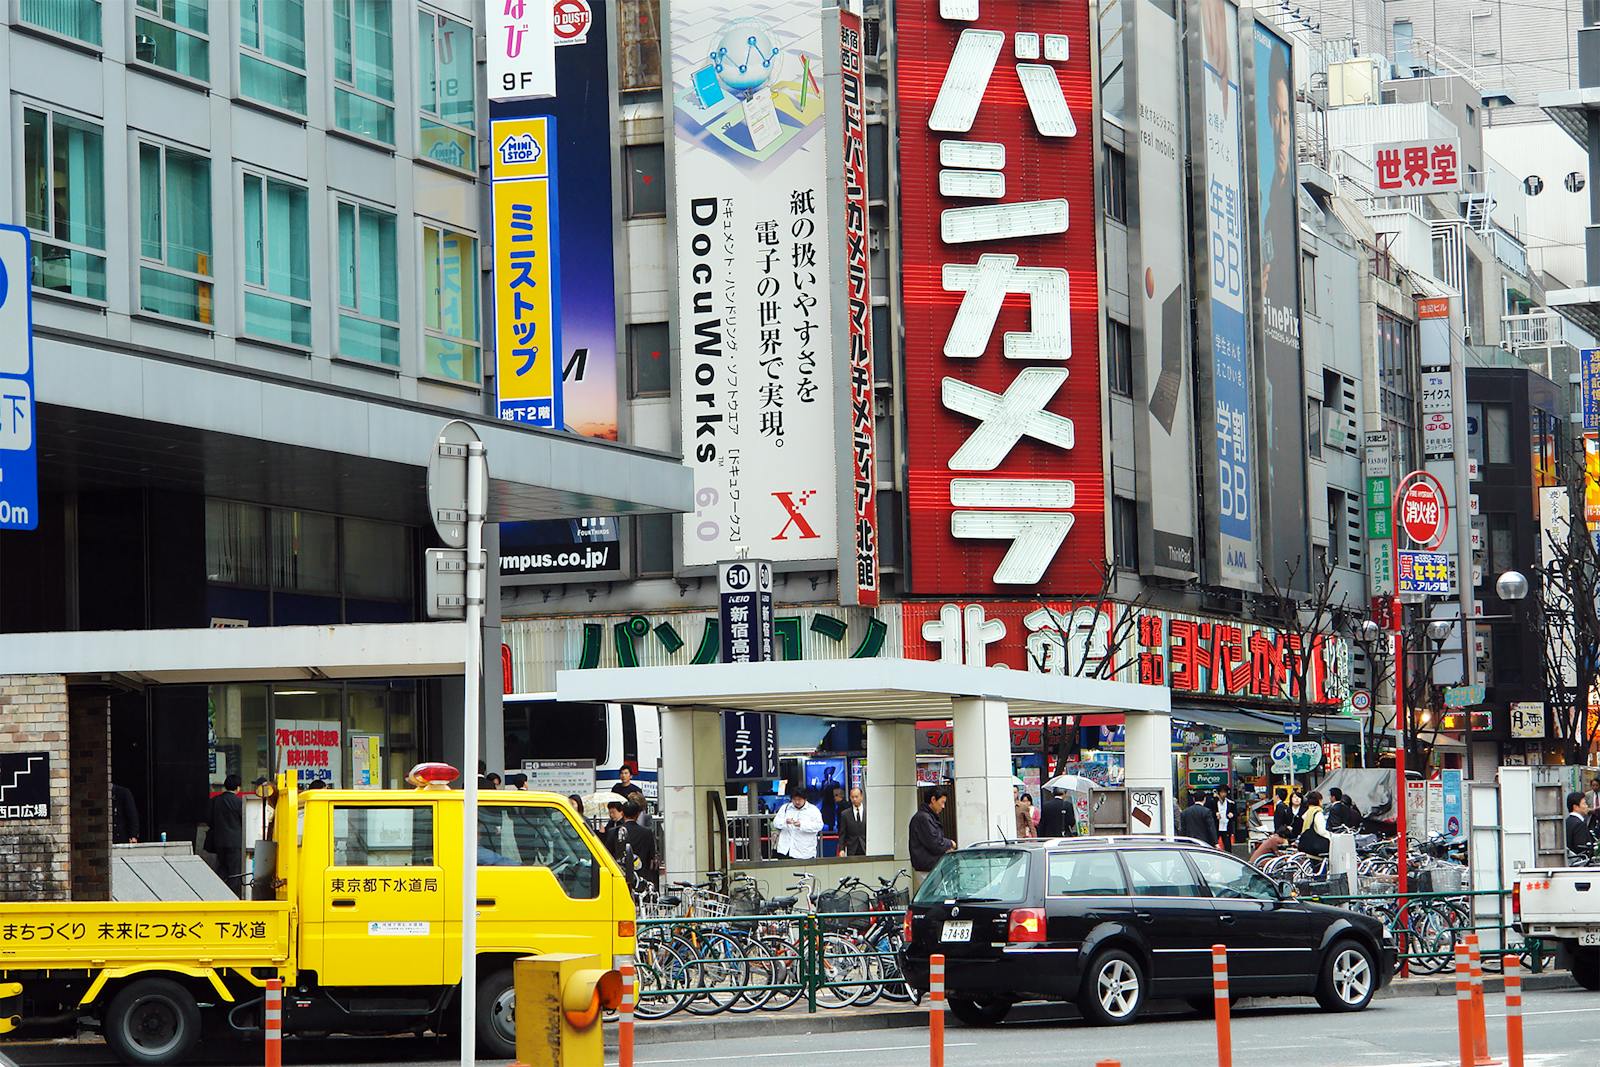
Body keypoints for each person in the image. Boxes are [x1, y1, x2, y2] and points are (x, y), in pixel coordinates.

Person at [909, 786, 956, 889]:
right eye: (942, 802)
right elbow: (935, 843)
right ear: (933, 800)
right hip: (927, 868)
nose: (943, 806)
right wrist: (950, 843)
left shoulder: (926, 817)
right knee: (932, 899)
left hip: (929, 867)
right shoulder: (923, 818)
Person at [206, 775, 245, 897]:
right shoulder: (239, 802)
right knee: (235, 872)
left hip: (218, 842)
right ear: (238, 788)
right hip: (235, 842)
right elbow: (244, 821)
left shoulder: (215, 801)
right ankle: (231, 897)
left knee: (221, 869)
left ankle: (217, 894)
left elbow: (209, 819)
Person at [773, 786, 823, 860]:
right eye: (794, 799)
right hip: (785, 850)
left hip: (804, 852)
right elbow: (776, 822)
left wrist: (802, 825)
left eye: (799, 799)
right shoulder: (785, 808)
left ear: (805, 799)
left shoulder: (813, 810)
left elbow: (819, 826)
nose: (797, 802)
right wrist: (785, 822)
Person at [620, 799, 657, 889]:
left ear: (622, 814)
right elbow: (651, 856)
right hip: (642, 877)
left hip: (620, 876)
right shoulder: (647, 833)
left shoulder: (614, 832)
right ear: (637, 815)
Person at [1297, 791, 1330, 857]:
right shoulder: (1317, 812)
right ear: (1319, 801)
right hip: (1316, 846)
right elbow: (1322, 831)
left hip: (1306, 844)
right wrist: (1330, 837)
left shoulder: (1307, 812)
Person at [1566, 791, 1596, 864]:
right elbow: (1582, 848)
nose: (1586, 806)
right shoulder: (1579, 824)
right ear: (1575, 807)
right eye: (1584, 803)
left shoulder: (1567, 821)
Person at [838, 787, 868, 857]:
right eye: (852, 797)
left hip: (866, 848)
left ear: (861, 797)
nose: (854, 799)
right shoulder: (845, 814)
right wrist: (842, 849)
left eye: (856, 797)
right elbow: (842, 834)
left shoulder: (868, 813)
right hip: (852, 849)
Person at [1214, 787, 1237, 851]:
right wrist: (1215, 814)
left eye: (1224, 792)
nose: (1223, 794)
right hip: (1217, 826)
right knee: (1214, 844)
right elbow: (1210, 813)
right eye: (1221, 792)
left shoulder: (1230, 803)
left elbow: (1235, 814)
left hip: (1226, 827)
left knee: (1227, 845)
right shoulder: (1214, 802)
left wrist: (1232, 815)